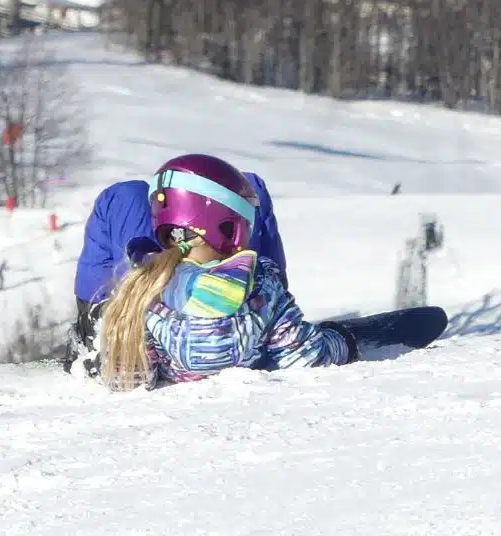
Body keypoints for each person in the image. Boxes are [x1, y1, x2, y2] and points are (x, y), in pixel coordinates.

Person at [96, 155, 351, 390]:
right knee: (253, 184)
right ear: (232, 227)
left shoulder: (146, 286)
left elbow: (131, 377)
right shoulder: (262, 284)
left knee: (121, 197)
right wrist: (342, 341)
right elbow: (305, 356)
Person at [67, 155, 288, 374]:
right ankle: (277, 311)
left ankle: (96, 325)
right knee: (248, 188)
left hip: (143, 325)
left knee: (125, 196)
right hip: (253, 323)